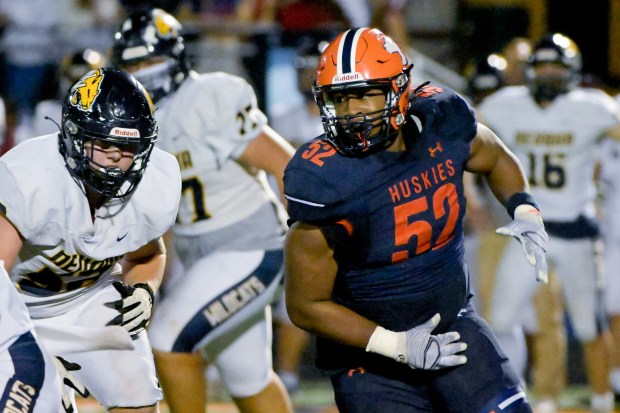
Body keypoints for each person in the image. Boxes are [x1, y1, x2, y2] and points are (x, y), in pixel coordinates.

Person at [283, 27, 548, 412]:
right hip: (369, 357)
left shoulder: (442, 121)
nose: (351, 112)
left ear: (400, 90)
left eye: (363, 95)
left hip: (453, 325)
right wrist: (396, 345)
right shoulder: (326, 180)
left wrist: (524, 207)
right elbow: (305, 305)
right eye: (339, 99)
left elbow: (494, 155)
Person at [111, 8, 294, 413]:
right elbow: (161, 218)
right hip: (199, 254)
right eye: (133, 64)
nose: (143, 71)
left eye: (150, 59)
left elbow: (287, 166)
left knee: (168, 341)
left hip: (249, 245)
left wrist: (311, 244)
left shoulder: (210, 96)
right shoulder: (137, 123)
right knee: (250, 380)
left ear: (175, 56)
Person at [0, 67, 182, 413]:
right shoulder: (30, 175)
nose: (116, 156)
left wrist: (144, 289)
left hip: (89, 299)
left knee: (137, 396)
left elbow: (145, 254)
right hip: (16, 309)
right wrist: (28, 355)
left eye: (129, 146)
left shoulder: (154, 182)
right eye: (105, 142)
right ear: (73, 137)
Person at [479, 33, 620, 413]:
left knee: (589, 326)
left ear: (572, 70)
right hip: (530, 230)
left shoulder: (592, 106)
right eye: (541, 65)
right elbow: (467, 134)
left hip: (576, 230)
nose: (548, 73)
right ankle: (519, 397)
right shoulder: (506, 105)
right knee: (502, 318)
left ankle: (605, 401)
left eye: (556, 65)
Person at [33, 48, 107, 136]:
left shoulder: (106, 114)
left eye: (85, 82)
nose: (78, 88)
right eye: (74, 80)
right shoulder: (46, 112)